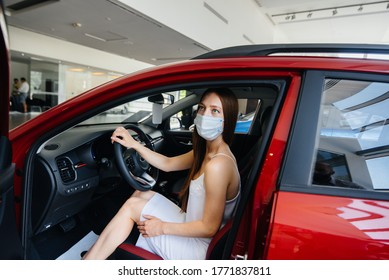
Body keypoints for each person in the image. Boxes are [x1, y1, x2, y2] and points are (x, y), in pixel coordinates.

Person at [83, 88, 240, 260]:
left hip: (199, 249)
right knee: (141, 194)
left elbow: (209, 228)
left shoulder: (218, 165)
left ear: (228, 120)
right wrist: (134, 144)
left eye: (215, 111)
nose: (205, 115)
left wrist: (161, 227)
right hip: (192, 225)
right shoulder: (205, 151)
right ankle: (95, 256)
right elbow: (168, 164)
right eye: (202, 108)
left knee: (132, 207)